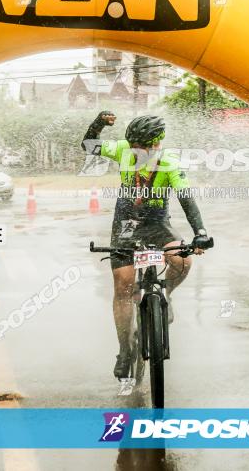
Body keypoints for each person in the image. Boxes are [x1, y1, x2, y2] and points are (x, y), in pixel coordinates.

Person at [81, 112, 211, 379]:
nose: (135, 151)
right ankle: (124, 349)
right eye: (132, 146)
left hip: (157, 222)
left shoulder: (170, 163)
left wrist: (200, 232)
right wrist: (98, 124)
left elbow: (186, 199)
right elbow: (88, 145)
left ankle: (167, 296)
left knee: (183, 260)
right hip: (126, 222)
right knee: (124, 284)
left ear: (156, 143)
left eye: (140, 146)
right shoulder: (122, 150)